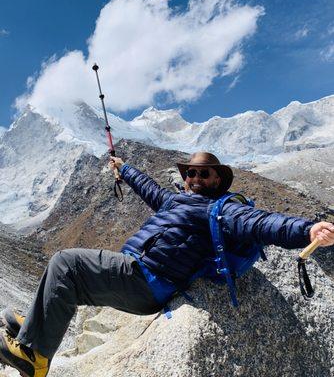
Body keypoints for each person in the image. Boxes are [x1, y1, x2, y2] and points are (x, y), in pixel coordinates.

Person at [0, 152, 333, 377]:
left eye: (205, 173)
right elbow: (149, 189)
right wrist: (124, 168)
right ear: (185, 177)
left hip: (148, 280)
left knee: (65, 263)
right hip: (135, 272)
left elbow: (262, 223)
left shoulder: (220, 210)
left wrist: (306, 230)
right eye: (191, 172)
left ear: (218, 180)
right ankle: (35, 326)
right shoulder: (176, 200)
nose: (196, 176)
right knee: (67, 275)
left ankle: (36, 357)